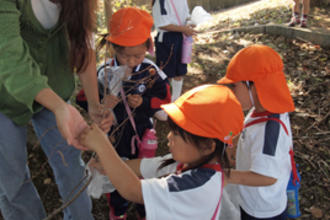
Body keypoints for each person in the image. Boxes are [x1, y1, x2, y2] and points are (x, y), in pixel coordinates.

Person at [0, 0, 113, 219]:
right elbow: (8, 56)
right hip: (3, 98)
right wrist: (59, 107)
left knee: (71, 165)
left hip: (54, 92)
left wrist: (93, 104)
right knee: (12, 179)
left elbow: (82, 45)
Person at [78, 84, 244, 220]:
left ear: (208, 146)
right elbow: (143, 166)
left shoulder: (198, 186)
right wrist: (104, 165)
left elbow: (133, 190)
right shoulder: (188, 163)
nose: (169, 137)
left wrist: (102, 145)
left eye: (177, 134)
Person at [76, 7, 171, 220]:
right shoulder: (104, 72)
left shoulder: (151, 72)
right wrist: (100, 102)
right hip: (115, 137)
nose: (130, 62)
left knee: (144, 172)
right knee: (114, 170)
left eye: (137, 55)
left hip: (141, 135)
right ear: (113, 49)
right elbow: (82, 97)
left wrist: (144, 103)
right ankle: (117, 210)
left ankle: (145, 208)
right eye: (124, 56)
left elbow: (165, 101)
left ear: (148, 46)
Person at [218, 44, 296, 220]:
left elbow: (267, 177)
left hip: (261, 210)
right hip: (251, 198)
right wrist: (233, 144)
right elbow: (248, 130)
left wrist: (225, 176)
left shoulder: (270, 131)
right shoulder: (264, 109)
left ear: (254, 86)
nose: (232, 92)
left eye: (234, 87)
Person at [152, 0, 197, 102]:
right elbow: (162, 24)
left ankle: (176, 100)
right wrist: (184, 29)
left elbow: (186, 16)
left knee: (179, 71)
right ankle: (163, 101)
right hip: (167, 39)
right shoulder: (161, 1)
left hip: (181, 36)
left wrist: (190, 24)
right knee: (165, 73)